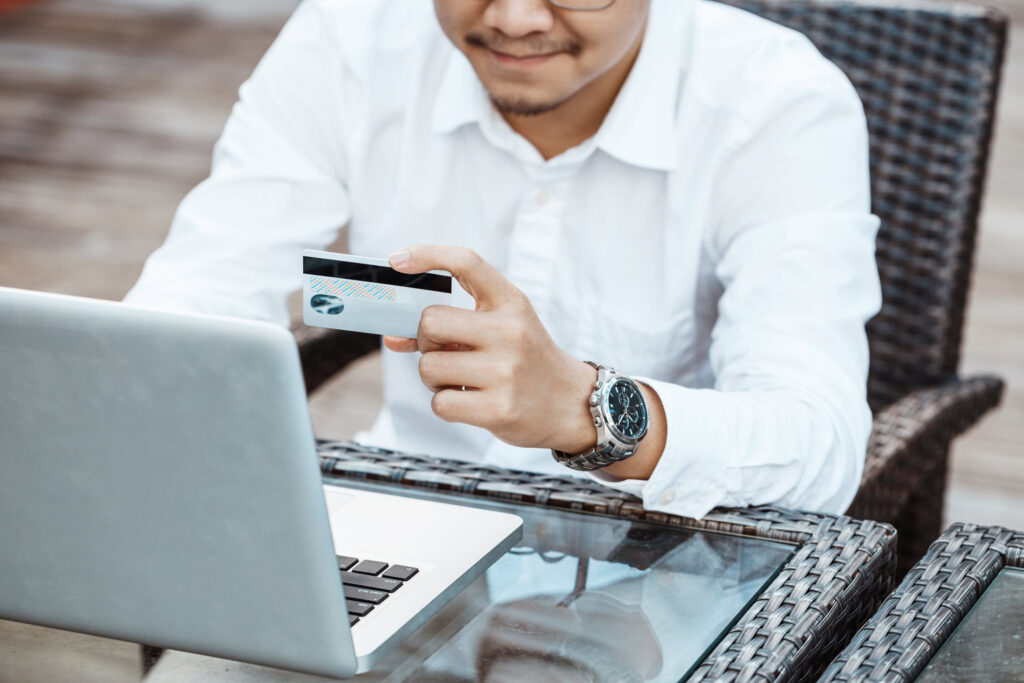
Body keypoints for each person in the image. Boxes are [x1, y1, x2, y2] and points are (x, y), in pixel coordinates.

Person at [124, 0, 881, 519]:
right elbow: (198, 293)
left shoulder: (776, 103)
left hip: (666, 552)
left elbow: (820, 447)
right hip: (401, 511)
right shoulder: (349, 39)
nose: (515, 19)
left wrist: (586, 412)